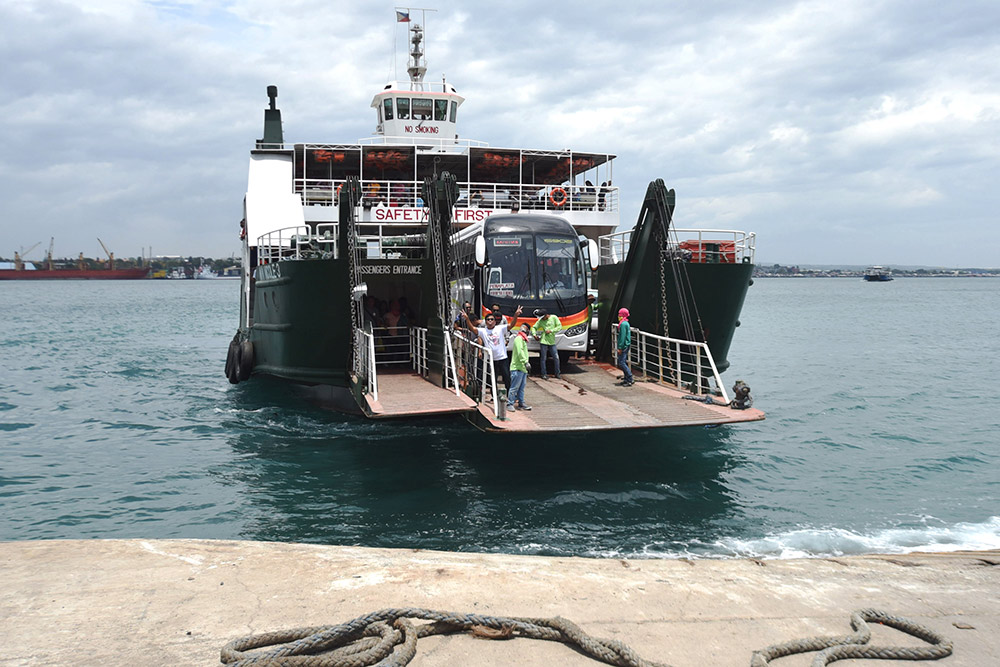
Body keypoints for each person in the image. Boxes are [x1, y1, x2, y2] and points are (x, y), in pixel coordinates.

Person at [462, 305, 522, 391]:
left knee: (507, 378)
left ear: (495, 321)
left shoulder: (500, 328)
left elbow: (511, 325)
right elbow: (472, 328)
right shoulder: (483, 331)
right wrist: (467, 318)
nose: (490, 321)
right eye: (488, 319)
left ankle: (510, 396)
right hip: (491, 359)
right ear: (486, 322)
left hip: (502, 358)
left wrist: (516, 315)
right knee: (492, 380)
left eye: (492, 319)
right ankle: (494, 395)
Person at [506, 323, 532, 411]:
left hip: (523, 368)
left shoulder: (523, 340)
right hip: (517, 368)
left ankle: (521, 403)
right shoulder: (519, 339)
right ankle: (510, 403)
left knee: (521, 388)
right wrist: (525, 362)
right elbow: (520, 351)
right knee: (514, 387)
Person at [531, 308, 562, 379]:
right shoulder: (540, 321)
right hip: (543, 341)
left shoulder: (554, 317)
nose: (542, 319)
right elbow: (534, 327)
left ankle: (557, 373)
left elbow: (559, 327)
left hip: (552, 341)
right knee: (543, 358)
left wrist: (551, 330)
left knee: (556, 357)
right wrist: (534, 335)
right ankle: (544, 374)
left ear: (546, 315)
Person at [615, 307, 634, 387]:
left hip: (623, 346)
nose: (618, 316)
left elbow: (622, 337)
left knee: (621, 362)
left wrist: (620, 347)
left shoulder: (623, 324)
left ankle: (629, 378)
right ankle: (626, 379)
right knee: (623, 362)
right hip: (627, 345)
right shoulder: (626, 323)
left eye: (620, 315)